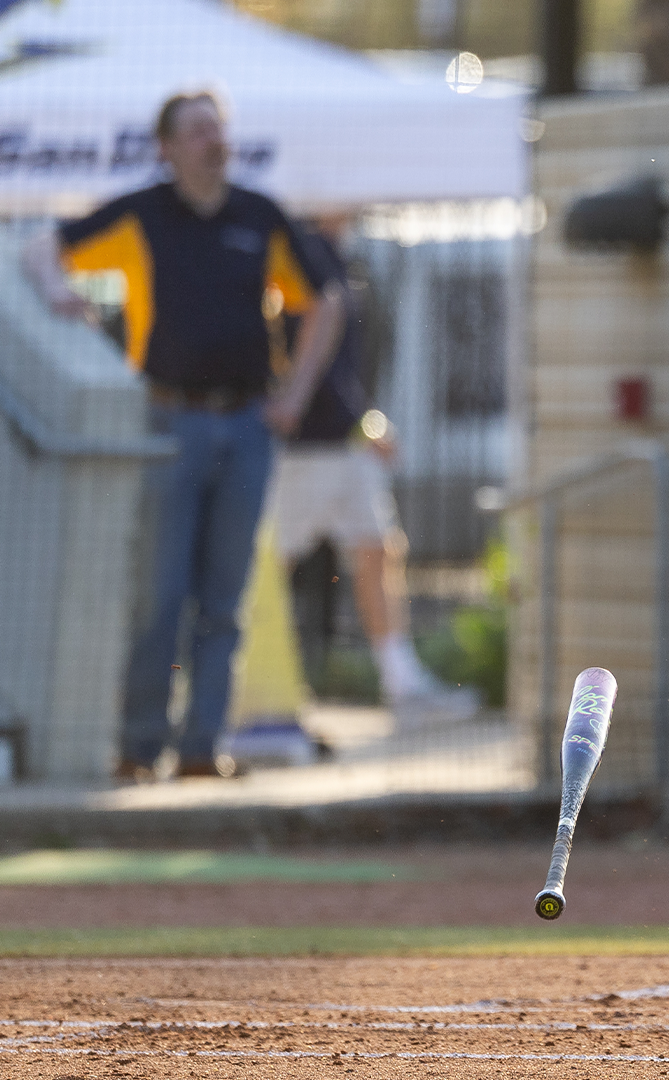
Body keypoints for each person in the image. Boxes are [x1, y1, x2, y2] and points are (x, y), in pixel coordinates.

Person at [22, 91, 345, 780]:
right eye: (197, 131)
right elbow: (43, 248)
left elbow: (329, 299)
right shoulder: (144, 211)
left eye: (217, 128)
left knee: (224, 598)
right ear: (166, 147)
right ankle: (139, 747)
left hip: (248, 424)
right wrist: (55, 290)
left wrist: (294, 394)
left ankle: (202, 749)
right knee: (159, 592)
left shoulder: (261, 214)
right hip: (167, 422)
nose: (212, 140)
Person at [265, 218, 478, 722]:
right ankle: (248, 691)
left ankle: (402, 684)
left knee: (378, 550)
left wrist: (364, 420)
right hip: (300, 449)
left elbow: (336, 370)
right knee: (268, 571)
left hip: (342, 442)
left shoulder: (340, 255)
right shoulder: (295, 251)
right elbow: (292, 353)